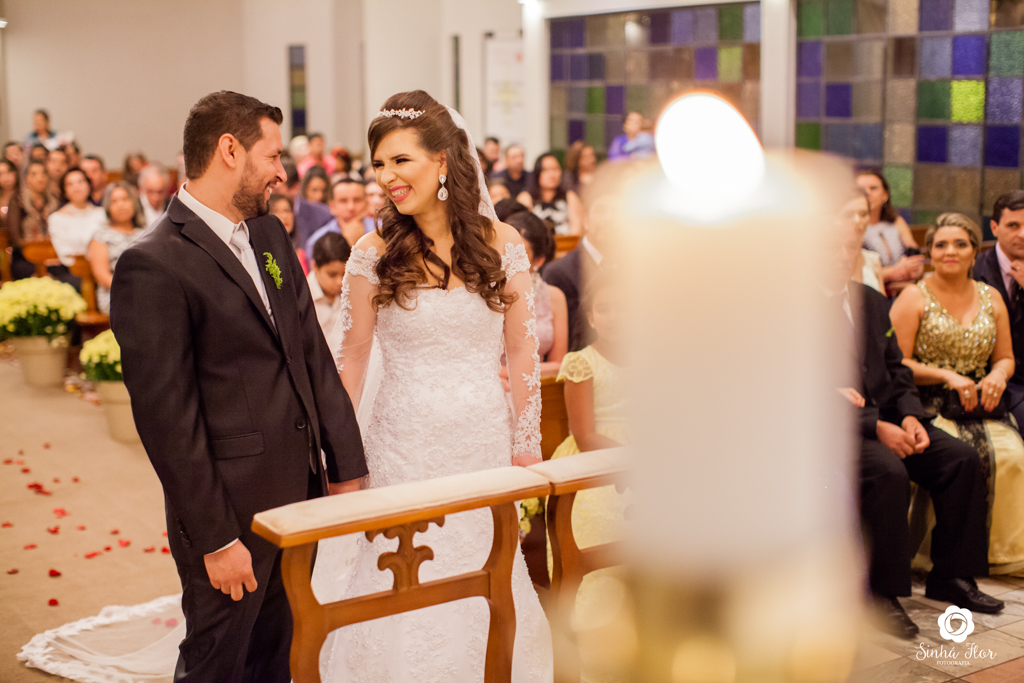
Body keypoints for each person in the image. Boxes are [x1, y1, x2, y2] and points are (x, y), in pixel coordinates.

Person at [107, 90, 367, 683]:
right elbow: (168, 421)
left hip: (297, 492)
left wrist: (345, 467)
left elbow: (311, 357)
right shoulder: (153, 264)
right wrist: (217, 538)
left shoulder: (272, 236)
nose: (282, 171)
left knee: (280, 651)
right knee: (218, 659)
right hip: (229, 508)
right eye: (272, 155)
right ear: (229, 150)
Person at [319, 89, 552, 682]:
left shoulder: (504, 246)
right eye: (379, 164)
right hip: (402, 441)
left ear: (443, 161)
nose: (387, 177)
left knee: (484, 564)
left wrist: (527, 441)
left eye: (401, 161)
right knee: (400, 569)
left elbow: (522, 348)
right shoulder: (371, 254)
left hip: (481, 439)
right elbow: (351, 360)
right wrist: (340, 456)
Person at [828, 213, 1003, 640]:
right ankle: (880, 593)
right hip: (831, 429)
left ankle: (952, 575)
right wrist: (875, 426)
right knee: (889, 471)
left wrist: (908, 416)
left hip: (889, 414)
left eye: (847, 248)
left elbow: (895, 370)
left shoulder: (869, 299)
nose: (839, 256)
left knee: (959, 458)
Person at [889, 213, 1024, 577]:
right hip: (928, 403)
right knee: (958, 456)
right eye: (941, 244)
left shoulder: (991, 296)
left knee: (1012, 453)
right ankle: (939, 555)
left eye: (960, 244)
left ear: (973, 251)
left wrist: (998, 374)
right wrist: (946, 374)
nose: (950, 251)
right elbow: (897, 362)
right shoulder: (914, 296)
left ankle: (1005, 555)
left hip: (983, 403)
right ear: (930, 251)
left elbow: (1007, 357)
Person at [976, 190, 1024, 430]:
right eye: (1013, 225)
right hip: (992, 378)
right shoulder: (973, 271)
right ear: (994, 228)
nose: (1023, 234)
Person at [544, 195, 611, 351]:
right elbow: (573, 343)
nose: (610, 219)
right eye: (601, 210)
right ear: (585, 220)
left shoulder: (632, 266)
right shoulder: (560, 272)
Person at [504, 210, 567, 374]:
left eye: (519, 254)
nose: (508, 260)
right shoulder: (481, 292)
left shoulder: (554, 297)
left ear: (538, 260)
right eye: (505, 249)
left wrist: (514, 375)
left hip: (539, 386)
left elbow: (558, 365)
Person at [856, 169, 925, 288]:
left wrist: (915, 268)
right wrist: (893, 272)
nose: (867, 193)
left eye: (873, 188)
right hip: (869, 291)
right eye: (861, 189)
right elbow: (856, 274)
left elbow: (914, 254)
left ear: (885, 195)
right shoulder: (852, 226)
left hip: (904, 288)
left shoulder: (897, 222)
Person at [87, 181, 146, 314]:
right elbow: (102, 275)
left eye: (125, 199)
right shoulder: (101, 236)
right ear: (108, 206)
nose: (121, 205)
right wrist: (133, 291)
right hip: (116, 295)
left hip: (147, 292)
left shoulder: (146, 233)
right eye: (114, 201)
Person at [48, 167, 105, 267]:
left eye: (80, 181)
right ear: (65, 191)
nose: (76, 187)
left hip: (104, 265)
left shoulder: (101, 213)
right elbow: (65, 254)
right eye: (70, 184)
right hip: (74, 270)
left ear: (89, 185)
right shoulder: (57, 219)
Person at [516, 152, 582, 235]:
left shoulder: (570, 196)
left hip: (567, 244)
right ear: (537, 173)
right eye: (546, 170)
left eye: (555, 169)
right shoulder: (526, 198)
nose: (552, 174)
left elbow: (577, 229)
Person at [305, 179, 370, 257]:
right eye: (343, 201)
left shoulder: (382, 230)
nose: (351, 207)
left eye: (357, 200)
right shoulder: (316, 241)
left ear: (366, 204)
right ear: (332, 206)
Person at [307, 231, 350, 339]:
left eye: (344, 274)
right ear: (314, 266)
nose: (340, 282)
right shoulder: (302, 298)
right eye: (332, 275)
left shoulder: (351, 292)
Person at [841, 189, 885, 293]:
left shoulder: (873, 260)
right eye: (848, 214)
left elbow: (882, 305)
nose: (857, 220)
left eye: (863, 214)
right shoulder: (830, 259)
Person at [293, 164, 334, 248]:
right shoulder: (296, 213)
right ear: (305, 189)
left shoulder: (330, 215)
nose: (319, 196)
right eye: (314, 190)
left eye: (324, 190)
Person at [268, 193, 307, 273]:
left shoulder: (300, 254)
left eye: (287, 211)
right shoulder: (263, 254)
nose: (284, 216)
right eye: (276, 211)